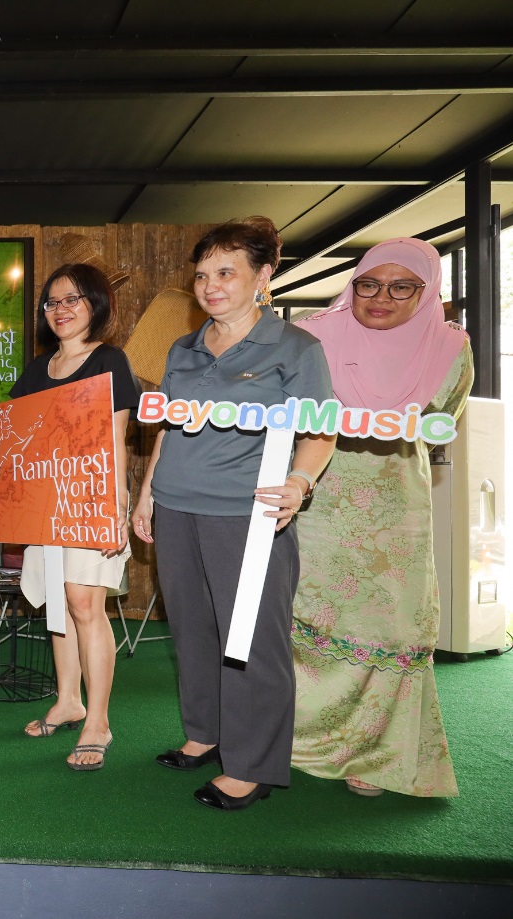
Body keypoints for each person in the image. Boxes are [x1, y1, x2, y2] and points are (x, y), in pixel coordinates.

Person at [130, 216, 335, 811]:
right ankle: (206, 734)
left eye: (226, 272)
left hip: (248, 513)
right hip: (175, 505)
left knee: (251, 638)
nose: (210, 285)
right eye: (202, 274)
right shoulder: (184, 347)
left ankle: (254, 765)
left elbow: (320, 433)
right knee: (193, 629)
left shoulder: (296, 348)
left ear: (263, 276)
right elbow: (170, 424)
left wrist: (298, 482)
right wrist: (146, 494)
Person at [291, 238, 472, 798]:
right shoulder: (316, 334)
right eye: (369, 283)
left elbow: (443, 418)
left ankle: (376, 753)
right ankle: (294, 736)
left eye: (402, 287)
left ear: (427, 292)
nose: (380, 298)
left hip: (397, 506)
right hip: (318, 495)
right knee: (306, 610)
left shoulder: (450, 346)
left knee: (393, 621)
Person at [0, 263, 140, 770]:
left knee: (85, 604)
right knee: (56, 602)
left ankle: (99, 721)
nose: (61, 310)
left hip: (91, 498)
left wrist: (115, 509)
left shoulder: (109, 360)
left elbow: (115, 441)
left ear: (95, 304)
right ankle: (68, 700)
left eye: (72, 299)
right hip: (44, 503)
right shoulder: (36, 370)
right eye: (52, 302)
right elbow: (17, 443)